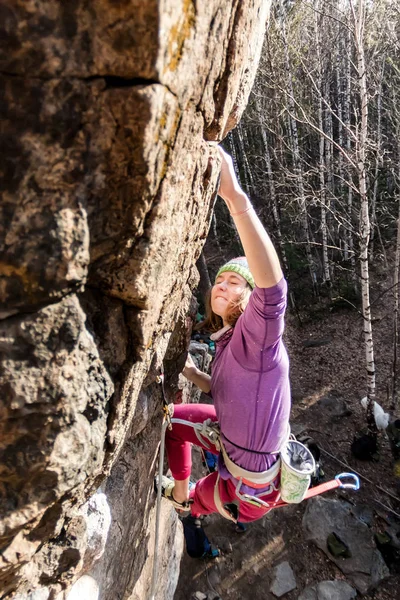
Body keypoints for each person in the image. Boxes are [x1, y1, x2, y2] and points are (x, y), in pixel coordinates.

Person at [161, 146, 291, 524]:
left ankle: (185, 499)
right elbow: (224, 393)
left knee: (205, 500)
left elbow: (273, 293)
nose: (222, 285)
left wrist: (235, 198)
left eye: (235, 282)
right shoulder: (229, 342)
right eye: (220, 279)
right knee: (175, 421)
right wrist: (189, 372)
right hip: (235, 454)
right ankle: (183, 496)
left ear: (248, 298)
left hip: (249, 489)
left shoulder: (258, 339)